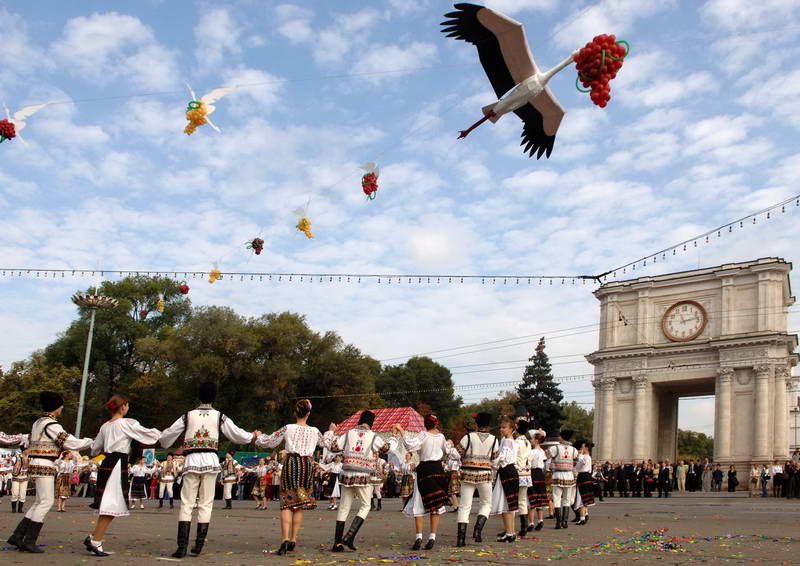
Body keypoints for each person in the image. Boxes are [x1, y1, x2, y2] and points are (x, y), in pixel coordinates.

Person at [160, 382, 260, 558]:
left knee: (187, 503)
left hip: (191, 460)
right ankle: (198, 546)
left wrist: (161, 439)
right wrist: (252, 436)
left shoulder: (187, 416)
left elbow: (168, 435)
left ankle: (181, 547)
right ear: (214, 397)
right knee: (206, 503)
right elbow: (236, 433)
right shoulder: (219, 416)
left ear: (199, 396)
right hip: (210, 461)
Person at [7, 392, 92, 554]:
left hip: (36, 463)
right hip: (45, 463)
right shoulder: (52, 425)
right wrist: (90, 442)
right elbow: (69, 442)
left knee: (39, 501)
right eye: (60, 405)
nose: (62, 407)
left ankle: (18, 536)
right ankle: (29, 541)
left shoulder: (38, 422)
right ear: (55, 406)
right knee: (46, 502)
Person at [82, 394, 160, 556]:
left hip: (107, 463)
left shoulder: (105, 426)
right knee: (112, 504)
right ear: (123, 406)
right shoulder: (126, 423)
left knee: (109, 503)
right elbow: (148, 435)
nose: (128, 408)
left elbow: (95, 449)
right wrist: (164, 434)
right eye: (127, 406)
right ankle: (95, 541)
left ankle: (94, 537)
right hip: (118, 463)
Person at [255, 399, 324, 556]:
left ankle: (285, 539)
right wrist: (332, 431)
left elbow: (270, 441)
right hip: (307, 464)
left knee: (287, 502)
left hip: (292, 462)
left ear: (295, 412)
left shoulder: (288, 428)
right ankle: (293, 539)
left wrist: (258, 437)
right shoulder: (315, 431)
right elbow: (328, 443)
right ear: (308, 413)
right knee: (299, 502)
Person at [323, 410, 394, 552]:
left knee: (343, 506)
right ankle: (349, 536)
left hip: (347, 474)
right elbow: (386, 449)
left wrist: (331, 432)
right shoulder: (373, 436)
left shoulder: (348, 433)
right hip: (363, 475)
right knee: (366, 505)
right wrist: (393, 437)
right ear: (371, 423)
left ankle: (337, 543)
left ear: (360, 420)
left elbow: (333, 447)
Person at [394, 414, 452, 550]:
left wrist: (401, 430)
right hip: (438, 470)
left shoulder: (423, 435)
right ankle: (432, 537)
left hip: (425, 470)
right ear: (436, 424)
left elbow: (410, 445)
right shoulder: (441, 437)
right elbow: (448, 451)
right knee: (436, 505)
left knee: (419, 503)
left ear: (425, 424)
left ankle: (419, 537)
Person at [454, 412, 498, 546]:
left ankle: (461, 539)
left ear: (476, 424)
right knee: (486, 504)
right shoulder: (494, 439)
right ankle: (477, 530)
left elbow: (456, 454)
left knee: (464, 506)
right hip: (485, 475)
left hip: (468, 474)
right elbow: (495, 459)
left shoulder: (468, 437)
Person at [489, 417, 519, 543]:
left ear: (511, 429)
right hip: (510, 471)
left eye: (504, 427)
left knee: (506, 503)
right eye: (500, 427)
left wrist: (492, 462)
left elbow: (504, 459)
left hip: (507, 471)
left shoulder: (507, 441)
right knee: (510, 504)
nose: (501, 429)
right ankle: (511, 532)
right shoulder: (510, 440)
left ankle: (509, 533)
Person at [547, 429, 578, 530]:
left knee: (556, 498)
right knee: (567, 499)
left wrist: (552, 465)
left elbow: (546, 455)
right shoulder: (574, 450)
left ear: (562, 437)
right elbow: (576, 460)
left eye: (560, 436)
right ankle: (565, 521)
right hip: (569, 475)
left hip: (558, 475)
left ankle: (558, 522)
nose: (559, 438)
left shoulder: (555, 448)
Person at [525, 428, 548, 532]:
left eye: (533, 439)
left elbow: (528, 463)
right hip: (540, 475)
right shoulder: (542, 451)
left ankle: (530, 523)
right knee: (540, 497)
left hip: (533, 473)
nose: (531, 440)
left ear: (537, 441)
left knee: (531, 498)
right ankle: (540, 520)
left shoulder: (532, 452)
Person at [514, 420, 532, 536]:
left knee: (513, 500)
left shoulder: (516, 442)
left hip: (517, 473)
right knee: (523, 500)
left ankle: (512, 527)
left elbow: (513, 457)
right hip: (527, 473)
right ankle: (524, 526)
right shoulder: (528, 442)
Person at [573, 440, 594, 525]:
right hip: (586, 476)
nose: (581, 448)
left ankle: (582, 518)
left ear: (586, 448)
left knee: (581, 497)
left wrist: (579, 454)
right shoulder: (587, 457)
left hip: (583, 476)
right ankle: (584, 516)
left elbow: (577, 467)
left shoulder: (585, 457)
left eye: (583, 447)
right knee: (583, 498)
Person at [10, 449, 29, 514]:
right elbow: (10, 463)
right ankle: (13, 508)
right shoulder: (16, 457)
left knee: (23, 494)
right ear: (23, 450)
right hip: (16, 477)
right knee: (15, 493)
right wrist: (9, 461)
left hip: (24, 478)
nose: (28, 451)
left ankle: (20, 509)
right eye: (27, 450)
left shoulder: (29, 458)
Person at [445, 440, 461, 512]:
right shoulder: (450, 457)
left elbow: (458, 457)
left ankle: (457, 506)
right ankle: (456, 506)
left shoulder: (454, 450)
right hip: (451, 472)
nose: (448, 444)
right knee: (452, 491)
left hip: (454, 473)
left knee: (453, 490)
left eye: (449, 443)